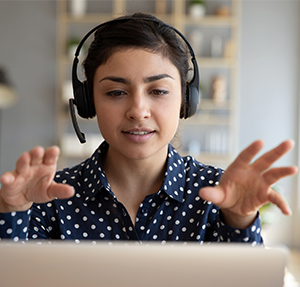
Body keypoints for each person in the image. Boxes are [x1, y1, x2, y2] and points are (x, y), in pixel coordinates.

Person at [0, 13, 297, 243]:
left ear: (186, 100)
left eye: (158, 91)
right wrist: (10, 212)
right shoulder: (47, 198)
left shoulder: (219, 195)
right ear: (88, 102)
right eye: (116, 92)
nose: (138, 111)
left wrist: (239, 221)